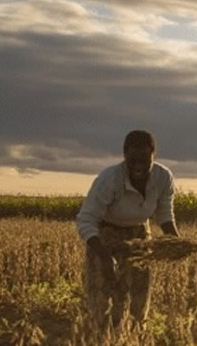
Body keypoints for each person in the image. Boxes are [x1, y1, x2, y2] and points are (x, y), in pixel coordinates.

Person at [75, 130, 179, 325]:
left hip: (139, 231)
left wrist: (177, 242)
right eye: (133, 161)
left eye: (144, 161)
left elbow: (164, 214)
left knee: (139, 289)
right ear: (124, 156)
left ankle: (135, 332)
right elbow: (86, 220)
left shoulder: (163, 177)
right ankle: (101, 334)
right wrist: (104, 257)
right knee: (102, 290)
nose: (138, 167)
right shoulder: (110, 179)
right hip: (105, 232)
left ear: (153, 155)